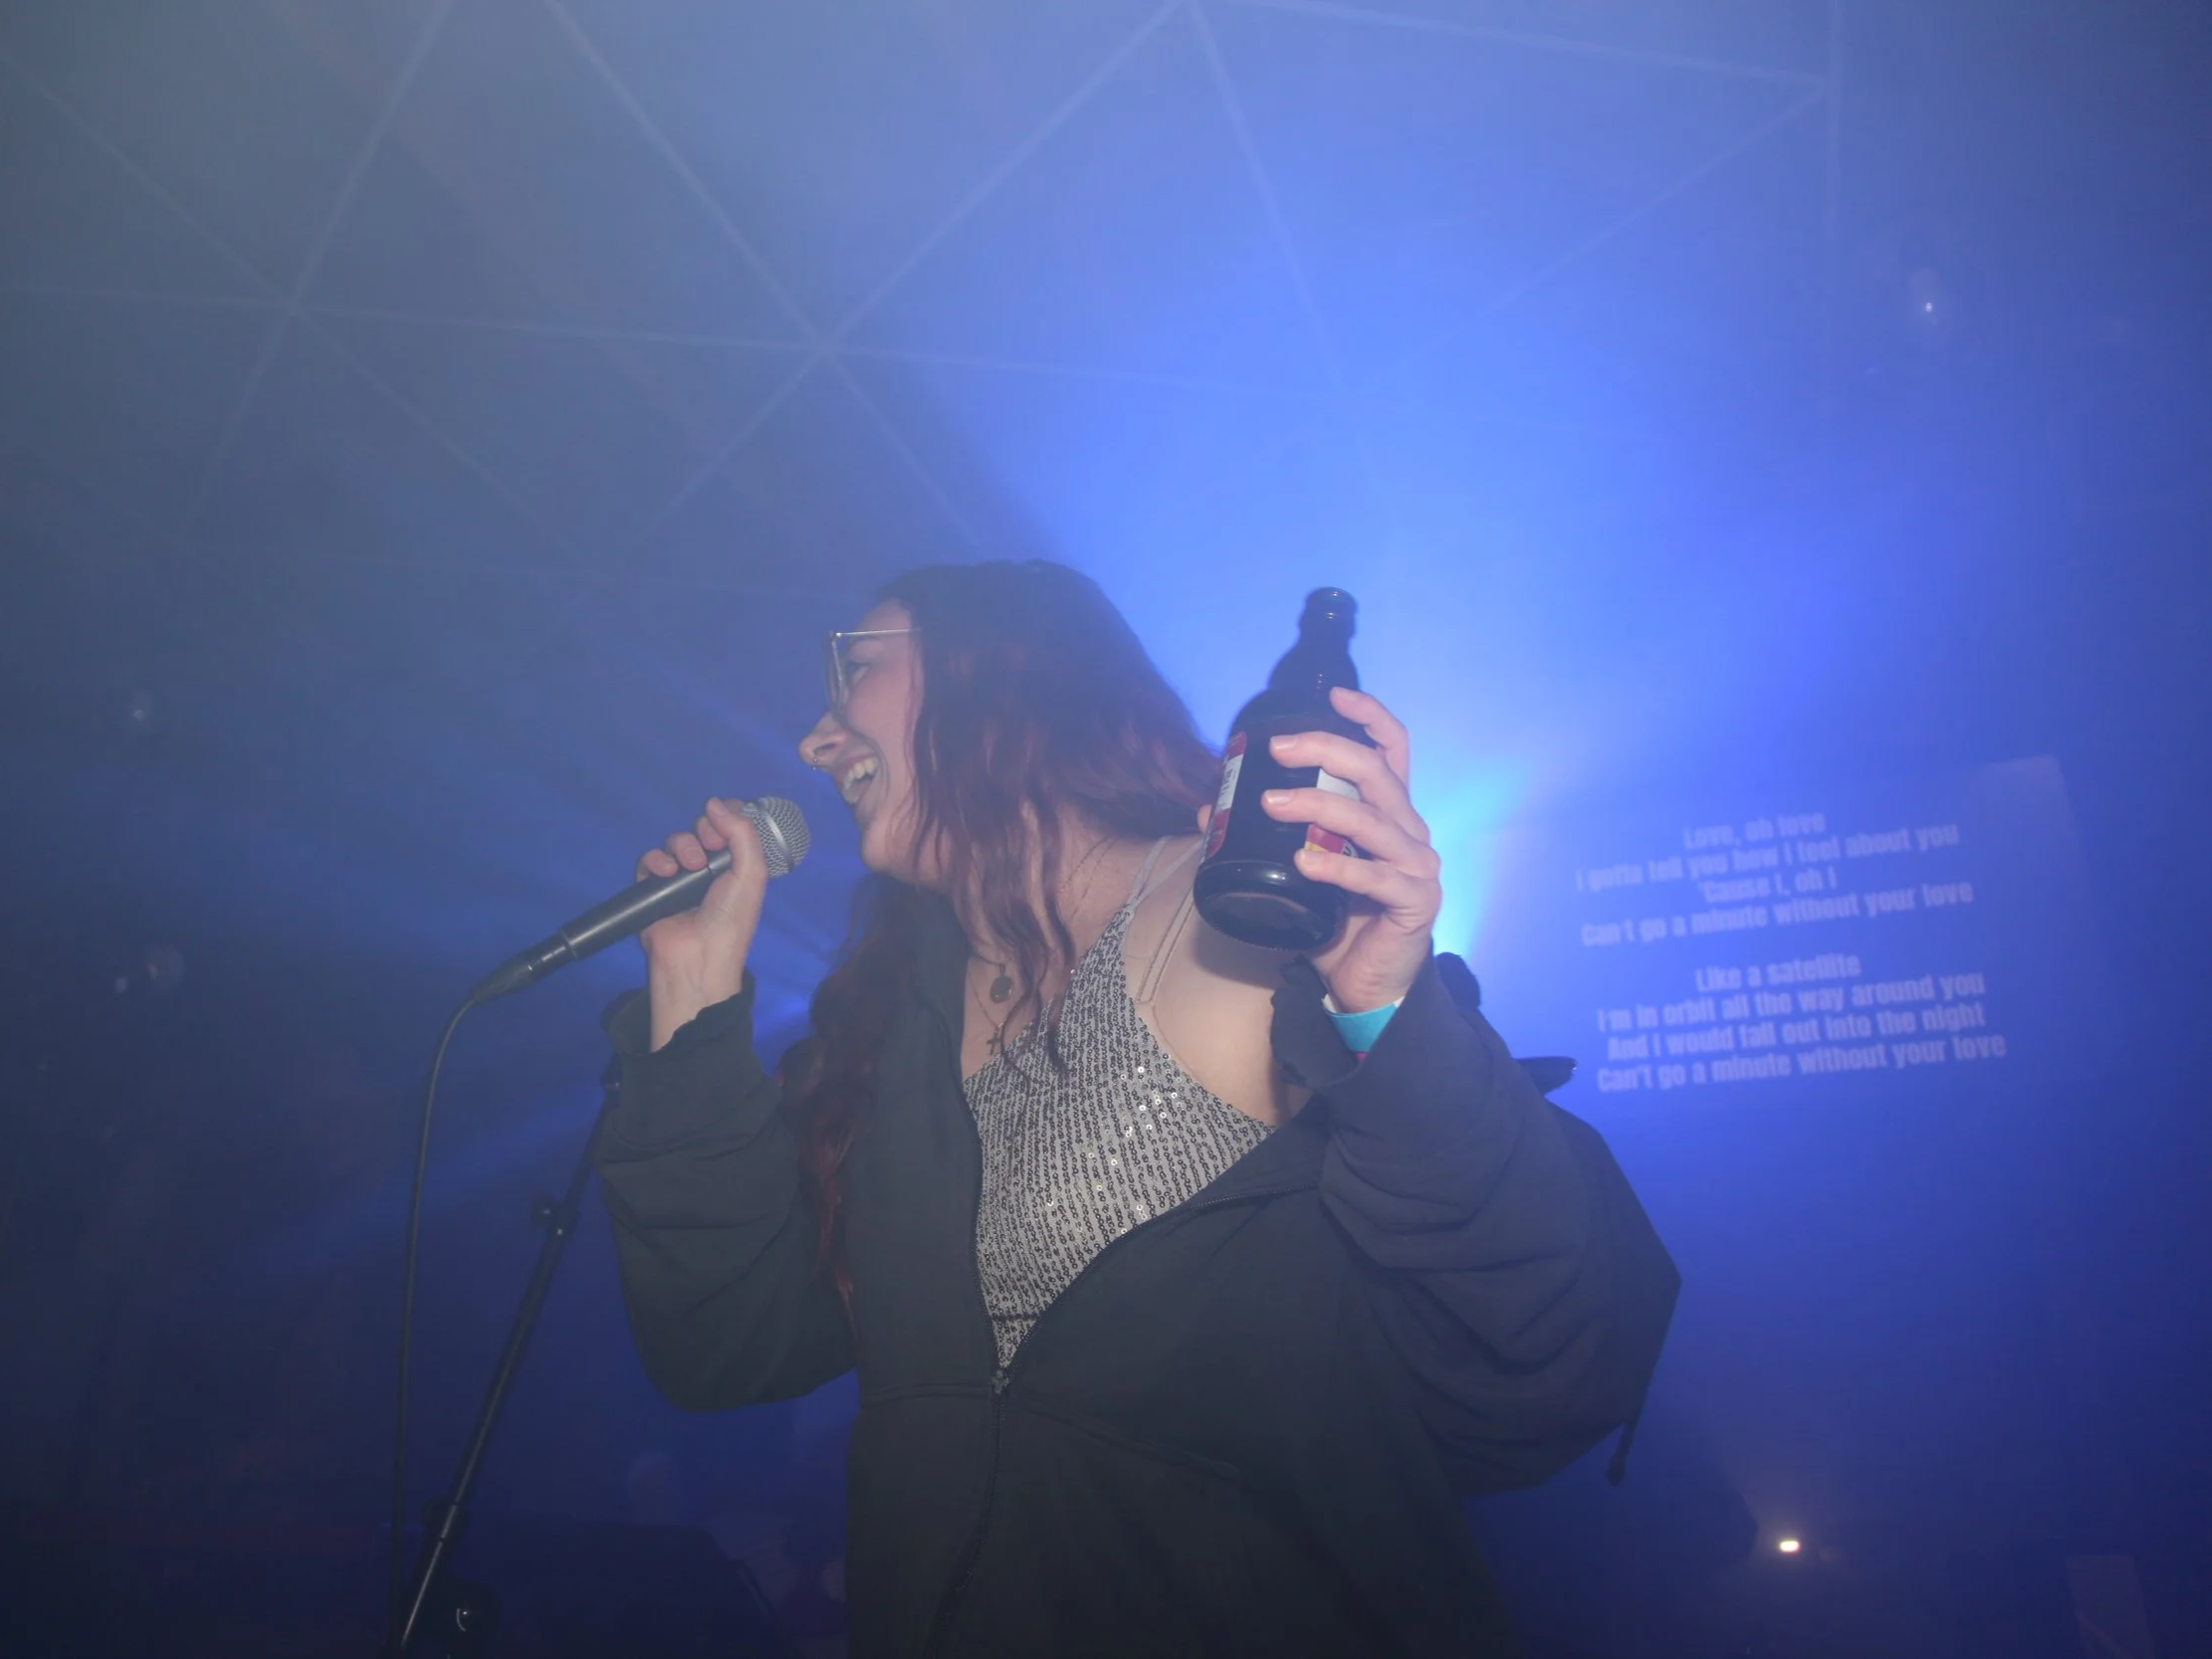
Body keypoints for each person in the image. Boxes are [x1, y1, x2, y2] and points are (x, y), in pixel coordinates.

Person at [595, 559, 1677, 1658]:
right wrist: (690, 1000)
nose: (815, 742)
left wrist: (1382, 1013)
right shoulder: (889, 1034)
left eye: (855, 672)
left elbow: (1549, 1343)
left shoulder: (1244, 921)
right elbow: (724, 1346)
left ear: (1004, 671)